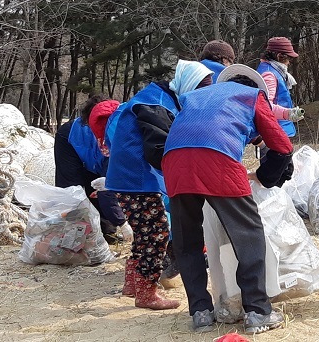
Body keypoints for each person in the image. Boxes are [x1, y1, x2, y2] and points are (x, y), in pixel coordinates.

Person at [162, 64, 293, 334]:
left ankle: (200, 312)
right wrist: (266, 177)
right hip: (216, 159)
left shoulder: (197, 96)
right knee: (249, 234)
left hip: (174, 161)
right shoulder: (252, 96)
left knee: (187, 240)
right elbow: (282, 145)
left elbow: (200, 128)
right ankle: (257, 311)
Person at [89, 60, 213, 310]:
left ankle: (132, 284)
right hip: (137, 179)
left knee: (144, 234)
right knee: (157, 235)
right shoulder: (156, 104)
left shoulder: (157, 97)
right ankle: (146, 293)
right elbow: (158, 149)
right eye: (200, 90)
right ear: (189, 85)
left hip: (128, 177)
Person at [54, 95, 131, 244]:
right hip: (77, 157)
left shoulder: (120, 135)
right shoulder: (69, 134)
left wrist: (119, 220)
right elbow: (70, 186)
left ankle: (107, 230)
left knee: (109, 189)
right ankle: (75, 232)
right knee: (73, 192)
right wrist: (122, 222)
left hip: (102, 164)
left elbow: (109, 185)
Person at [257, 36, 305, 137]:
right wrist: (288, 113)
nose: (289, 63)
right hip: (275, 130)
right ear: (279, 56)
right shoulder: (269, 75)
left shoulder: (268, 69)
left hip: (277, 129)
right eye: (288, 58)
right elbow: (265, 107)